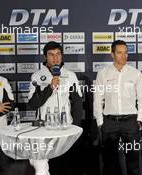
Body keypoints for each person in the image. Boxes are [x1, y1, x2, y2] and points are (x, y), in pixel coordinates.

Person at [28, 41, 83, 175]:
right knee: (47, 168)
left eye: (58, 54)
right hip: (44, 130)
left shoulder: (70, 75)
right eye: (51, 54)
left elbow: (77, 104)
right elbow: (33, 103)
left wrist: (75, 127)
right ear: (45, 57)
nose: (55, 58)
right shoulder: (36, 76)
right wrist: (49, 87)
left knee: (67, 167)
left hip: (66, 128)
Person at [94, 40, 142, 175]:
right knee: (109, 163)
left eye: (125, 53)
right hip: (109, 122)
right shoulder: (103, 74)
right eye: (119, 53)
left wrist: (139, 119)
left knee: (133, 163)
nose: (124, 56)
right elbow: (98, 99)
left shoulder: (135, 73)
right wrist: (100, 122)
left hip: (131, 122)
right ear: (112, 54)